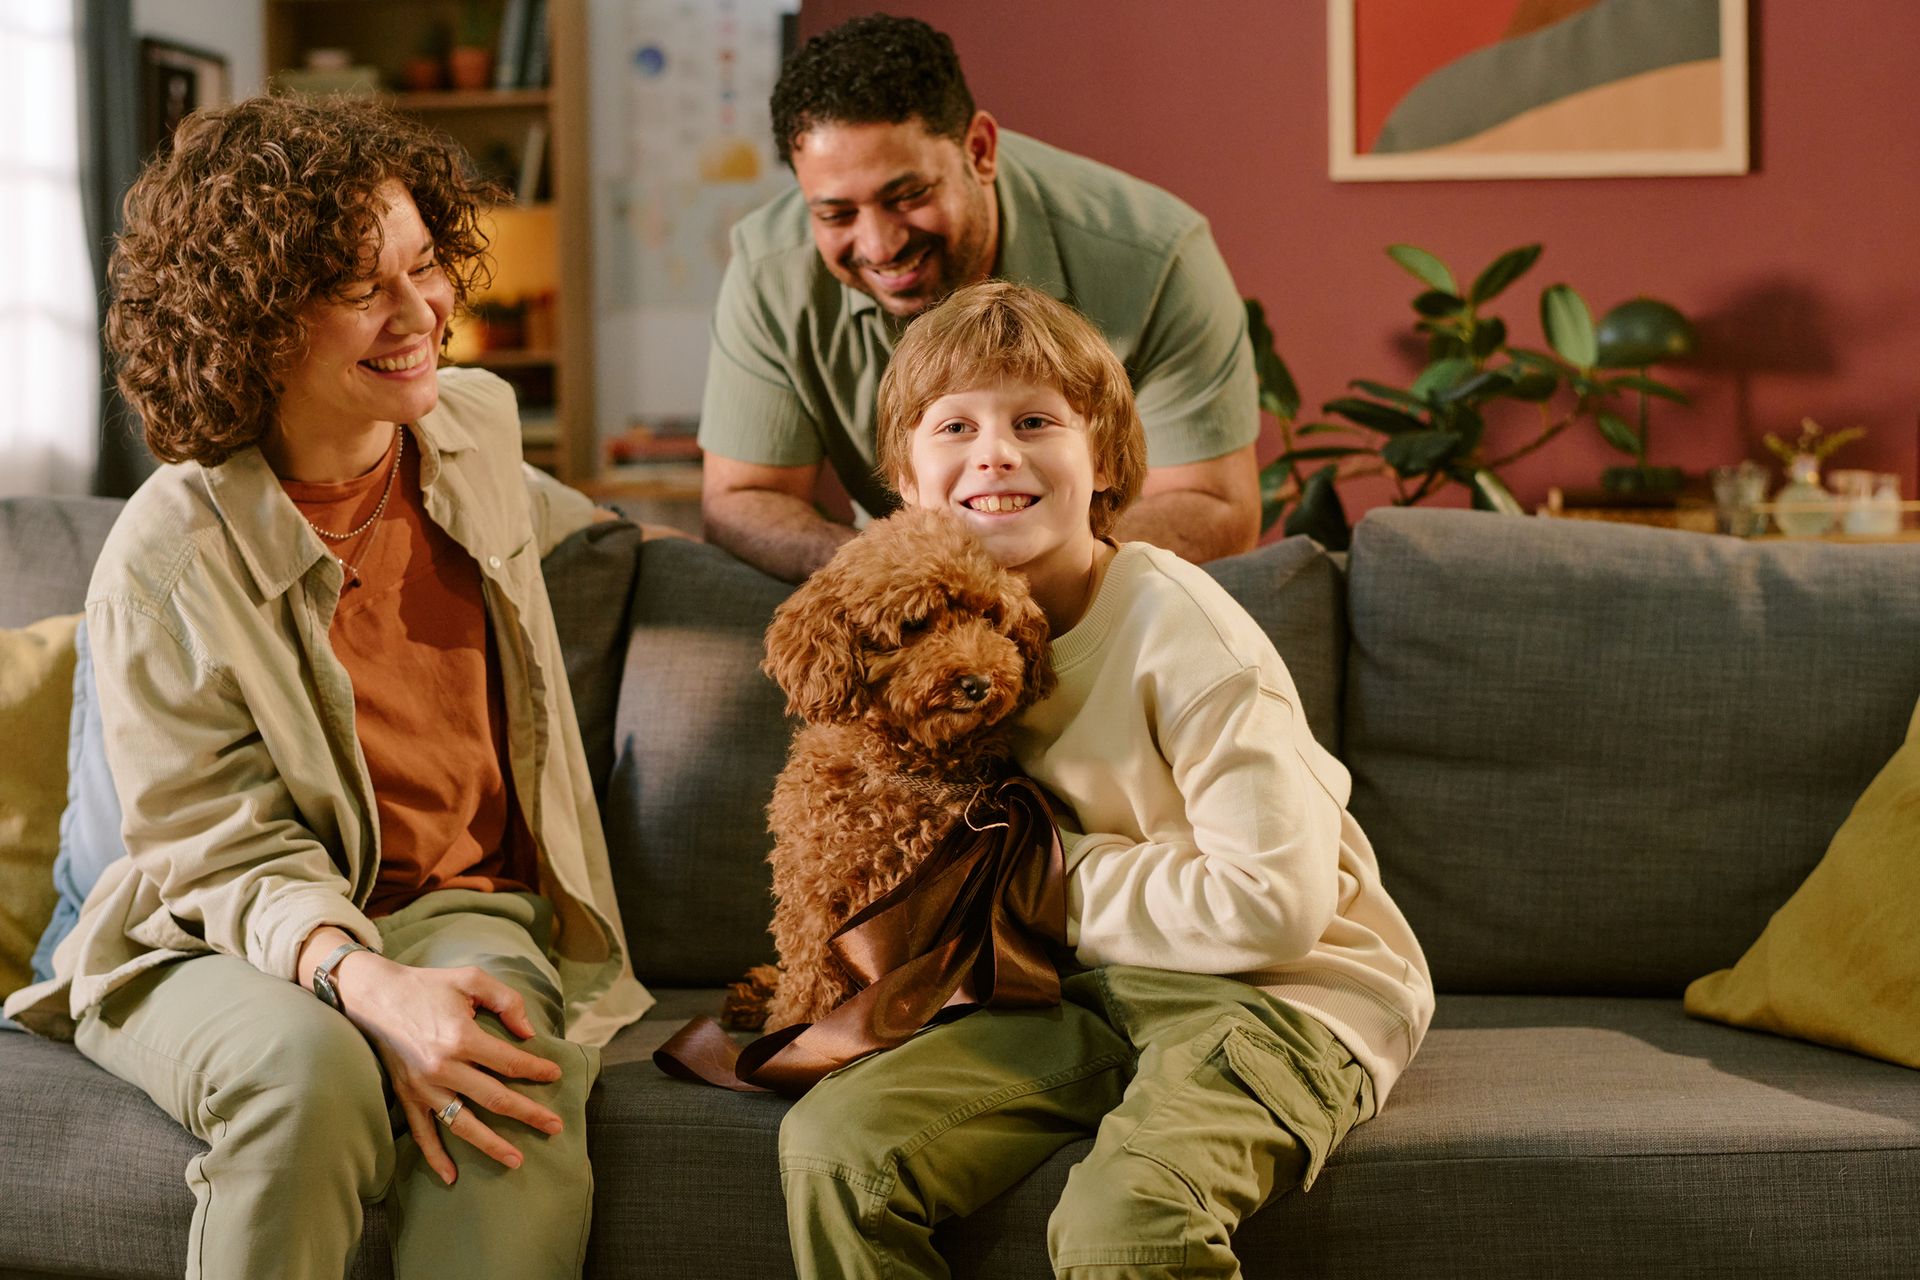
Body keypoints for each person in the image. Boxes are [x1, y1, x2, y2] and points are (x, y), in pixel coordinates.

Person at [3, 96, 651, 1278]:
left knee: (508, 1089)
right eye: (362, 287)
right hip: (204, 931)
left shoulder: (476, 425)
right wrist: (366, 984)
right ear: (251, 320)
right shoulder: (166, 556)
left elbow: (557, 520)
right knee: (310, 1076)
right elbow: (211, 846)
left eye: (425, 265)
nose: (422, 313)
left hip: (459, 902)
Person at [774, 281, 1434, 1277]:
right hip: (1077, 993)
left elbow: (1276, 906)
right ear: (905, 479)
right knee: (836, 1151)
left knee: (1125, 1224)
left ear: (1107, 462)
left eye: (1035, 421)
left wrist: (1038, 875)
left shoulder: (1185, 634)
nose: (995, 452)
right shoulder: (937, 649)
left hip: (1282, 994)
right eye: (955, 425)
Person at [698, 13, 1262, 582]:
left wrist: (1035, 584)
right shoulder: (769, 271)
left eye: (909, 195)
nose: (878, 245)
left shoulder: (1157, 255)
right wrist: (907, 579)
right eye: (836, 214)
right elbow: (744, 496)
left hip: (1108, 595)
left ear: (981, 150)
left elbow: (1213, 503)